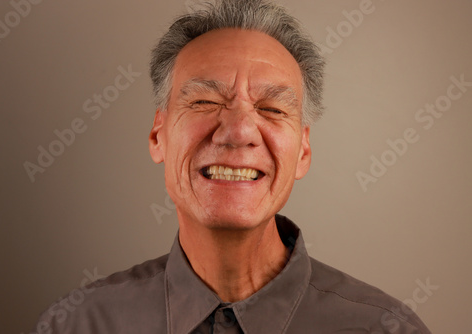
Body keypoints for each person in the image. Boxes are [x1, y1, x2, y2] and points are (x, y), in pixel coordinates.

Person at [33, 0, 431, 333]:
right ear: (158, 135)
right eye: (205, 101)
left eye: (272, 108)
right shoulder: (76, 324)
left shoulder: (385, 328)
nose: (238, 131)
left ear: (304, 152)